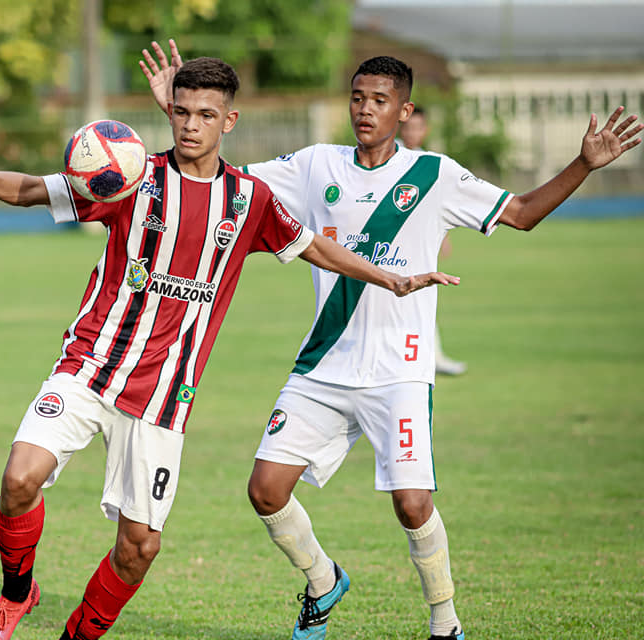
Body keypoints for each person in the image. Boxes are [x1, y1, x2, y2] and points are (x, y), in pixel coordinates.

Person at [0, 57, 457, 640]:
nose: (190, 125)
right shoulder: (129, 176)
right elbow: (36, 189)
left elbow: (316, 249)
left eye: (205, 115)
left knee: (138, 548)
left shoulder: (249, 199)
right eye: (180, 112)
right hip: (89, 366)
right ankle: (15, 595)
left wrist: (391, 278)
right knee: (18, 479)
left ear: (228, 120)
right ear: (169, 113)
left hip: (163, 398)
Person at [141, 42, 642, 640]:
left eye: (380, 100)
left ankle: (445, 622)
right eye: (357, 98)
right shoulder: (314, 165)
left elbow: (525, 212)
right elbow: (211, 181)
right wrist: (178, 117)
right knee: (265, 490)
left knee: (411, 505)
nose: (365, 110)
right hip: (324, 364)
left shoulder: (436, 175)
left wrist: (584, 163)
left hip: (400, 372)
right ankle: (324, 581)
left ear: (404, 111)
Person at [398, 106, 467, 376]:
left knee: (421, 300)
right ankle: (423, 359)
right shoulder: (391, 157)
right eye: (408, 128)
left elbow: (435, 204)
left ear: (425, 130)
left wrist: (444, 236)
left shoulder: (429, 161)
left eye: (418, 128)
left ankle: (431, 357)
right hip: (394, 245)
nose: (413, 132)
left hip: (418, 243)